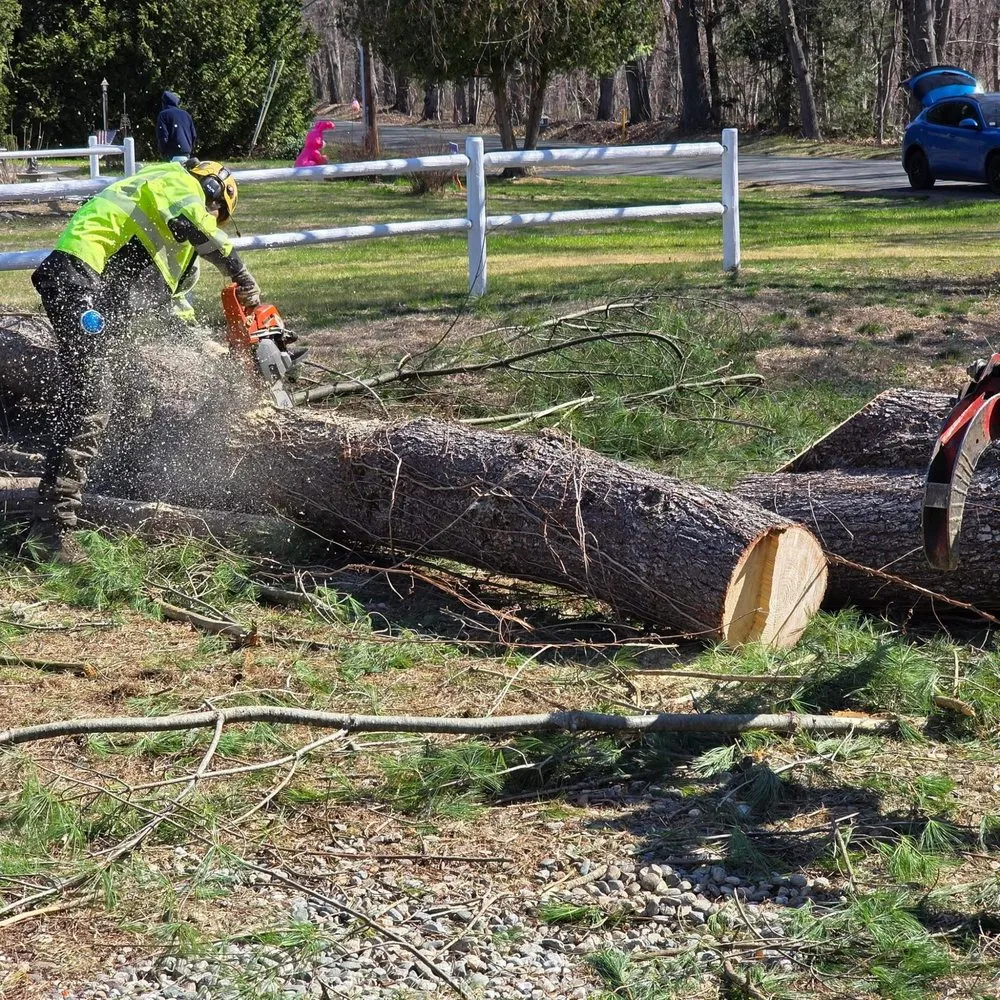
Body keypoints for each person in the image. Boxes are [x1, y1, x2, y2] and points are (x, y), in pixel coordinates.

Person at [28, 159, 262, 564]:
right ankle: (50, 530)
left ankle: (111, 482)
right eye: (216, 213)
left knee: (134, 389)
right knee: (91, 400)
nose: (213, 219)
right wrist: (240, 273)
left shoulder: (168, 236)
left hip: (92, 291)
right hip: (79, 278)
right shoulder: (176, 183)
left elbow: (176, 310)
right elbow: (198, 225)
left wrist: (212, 351)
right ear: (212, 191)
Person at [156, 91, 197, 161]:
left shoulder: (163, 115)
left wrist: (162, 151)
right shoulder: (186, 115)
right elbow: (194, 135)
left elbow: (163, 135)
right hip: (186, 154)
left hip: (172, 154)